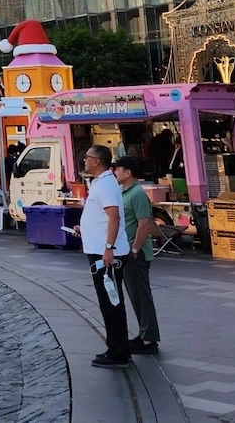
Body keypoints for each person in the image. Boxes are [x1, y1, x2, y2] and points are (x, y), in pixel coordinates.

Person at [72, 145, 131, 368]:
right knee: (108, 302)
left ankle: (118, 352)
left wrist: (109, 247)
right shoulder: (101, 182)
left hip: (106, 253)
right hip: (99, 249)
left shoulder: (106, 184)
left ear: (97, 161)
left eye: (87, 157)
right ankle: (116, 347)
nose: (84, 161)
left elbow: (113, 217)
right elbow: (102, 217)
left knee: (111, 302)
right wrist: (84, 228)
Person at [113, 157, 159, 355]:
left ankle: (149, 339)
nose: (115, 172)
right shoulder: (124, 193)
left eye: (118, 169)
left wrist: (135, 249)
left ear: (128, 172)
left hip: (135, 253)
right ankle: (144, 334)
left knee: (141, 295)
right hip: (126, 251)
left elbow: (144, 223)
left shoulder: (138, 194)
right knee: (135, 295)